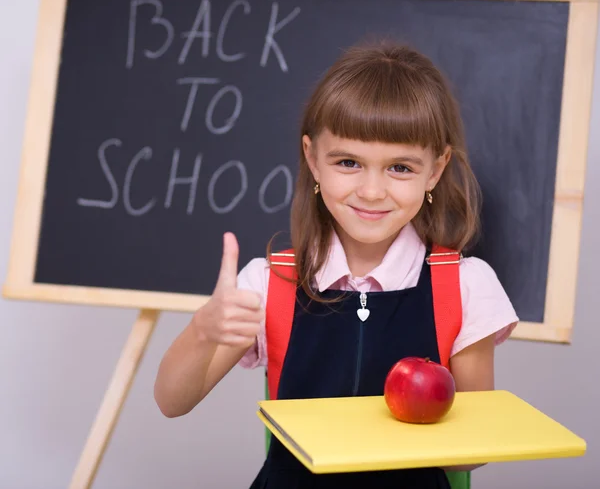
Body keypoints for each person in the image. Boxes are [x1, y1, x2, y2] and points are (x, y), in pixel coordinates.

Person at [154, 41, 519, 488]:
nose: (370, 191)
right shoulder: (269, 283)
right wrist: (203, 331)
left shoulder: (464, 287)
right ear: (312, 159)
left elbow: (472, 457)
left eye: (400, 168)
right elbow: (172, 402)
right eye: (348, 162)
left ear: (436, 170)